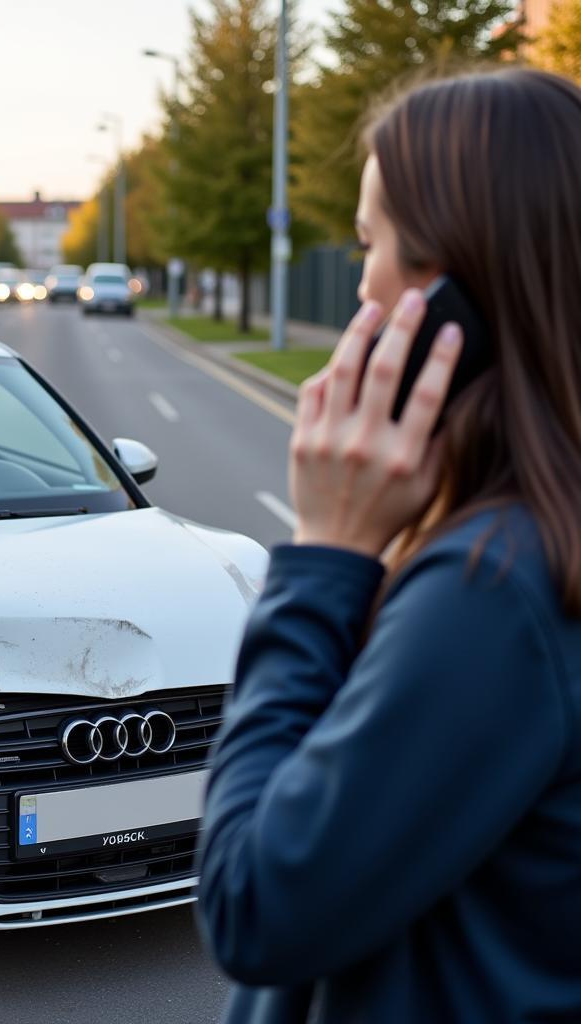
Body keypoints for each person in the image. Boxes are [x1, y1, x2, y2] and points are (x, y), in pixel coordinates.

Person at [198, 68, 581, 1023]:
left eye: (371, 243)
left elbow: (253, 906)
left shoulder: (493, 589)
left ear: (451, 295)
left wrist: (323, 556)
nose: (360, 282)